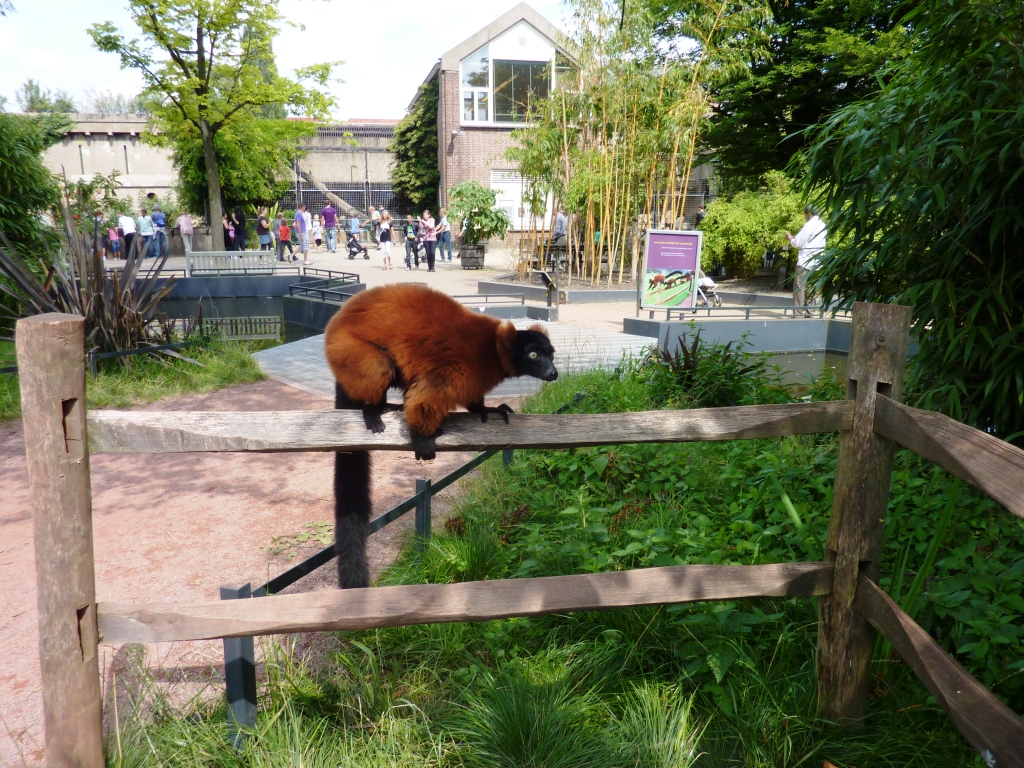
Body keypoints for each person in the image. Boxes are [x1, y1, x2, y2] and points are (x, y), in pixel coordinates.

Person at [786, 205, 827, 316]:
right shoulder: (822, 225)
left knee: (799, 287)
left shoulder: (809, 225)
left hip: (805, 261)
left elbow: (798, 243)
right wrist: (797, 238)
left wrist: (791, 239)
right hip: (817, 262)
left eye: (805, 214)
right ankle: (811, 312)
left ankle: (798, 314)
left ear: (809, 214)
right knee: (811, 287)